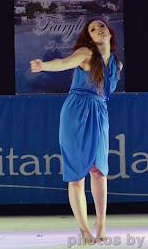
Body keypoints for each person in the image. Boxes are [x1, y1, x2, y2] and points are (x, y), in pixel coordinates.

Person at [30, 19, 123, 244]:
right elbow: (64, 62)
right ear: (89, 38)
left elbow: (105, 91)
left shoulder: (117, 65)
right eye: (92, 29)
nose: (98, 29)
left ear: (109, 32)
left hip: (100, 112)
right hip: (77, 112)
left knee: (99, 171)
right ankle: (83, 230)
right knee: (77, 176)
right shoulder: (85, 53)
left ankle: (101, 224)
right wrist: (44, 66)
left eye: (101, 26)